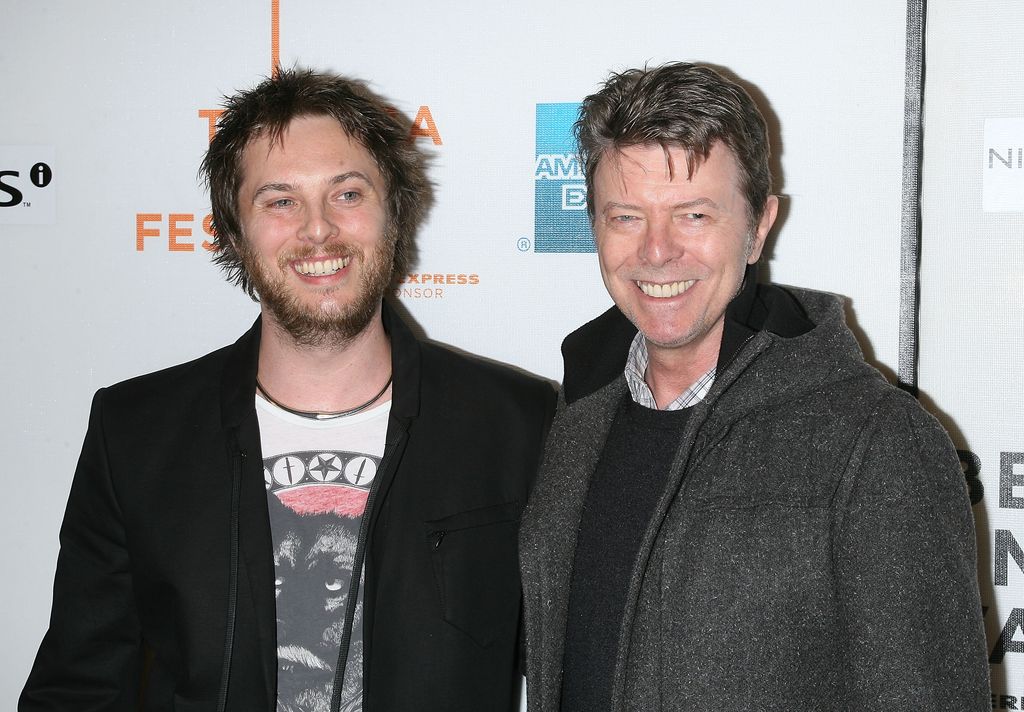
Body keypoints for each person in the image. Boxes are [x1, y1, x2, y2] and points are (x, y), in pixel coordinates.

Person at [21, 68, 554, 712]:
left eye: (347, 194)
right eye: (280, 201)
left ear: (394, 214)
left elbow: (578, 669)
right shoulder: (136, 432)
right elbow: (77, 689)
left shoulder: (519, 426)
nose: (318, 229)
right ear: (233, 233)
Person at [519, 62, 990, 711]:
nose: (656, 251)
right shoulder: (575, 425)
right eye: (626, 217)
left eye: (693, 215)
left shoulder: (875, 441)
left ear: (759, 226)